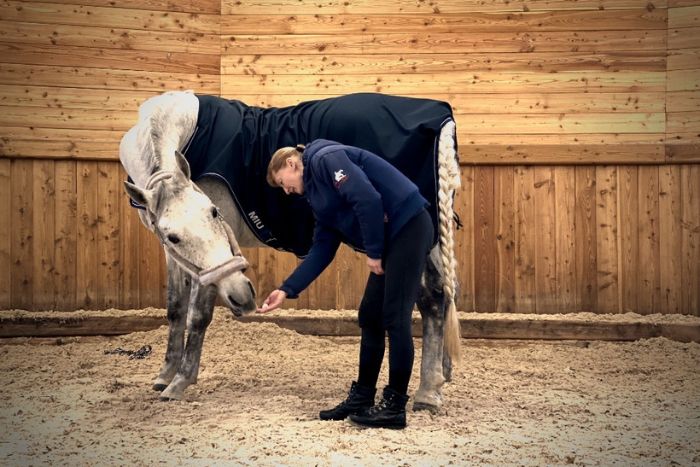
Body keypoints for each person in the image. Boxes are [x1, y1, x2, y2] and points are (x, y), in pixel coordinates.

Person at [258, 139, 434, 430]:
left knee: (394, 316)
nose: (286, 191)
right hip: (393, 238)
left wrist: (375, 252)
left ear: (291, 164)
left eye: (283, 183)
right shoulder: (318, 197)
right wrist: (286, 289)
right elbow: (322, 249)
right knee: (370, 316)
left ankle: (394, 406)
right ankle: (362, 397)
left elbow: (366, 198)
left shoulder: (326, 157)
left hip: (410, 226)